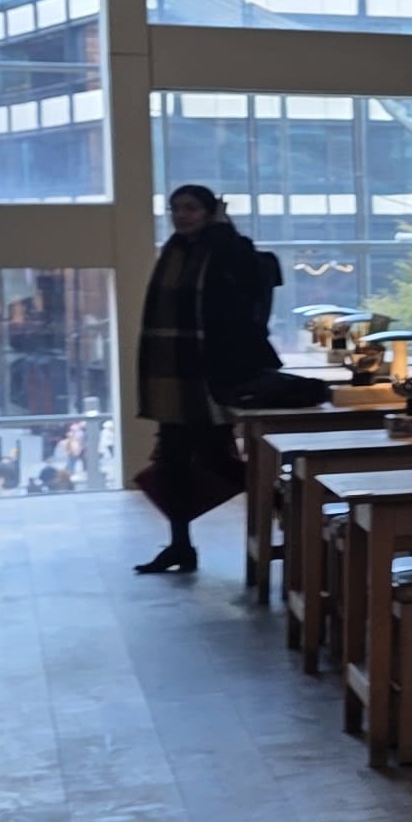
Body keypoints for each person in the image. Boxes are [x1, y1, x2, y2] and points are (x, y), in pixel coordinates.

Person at [130, 183, 282, 576]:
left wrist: (220, 230)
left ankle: (289, 507)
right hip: (175, 377)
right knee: (172, 462)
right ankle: (180, 544)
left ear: (209, 211)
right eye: (175, 208)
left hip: (212, 374)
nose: (181, 215)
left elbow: (241, 297)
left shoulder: (227, 248)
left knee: (217, 458)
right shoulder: (175, 251)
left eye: (191, 208)